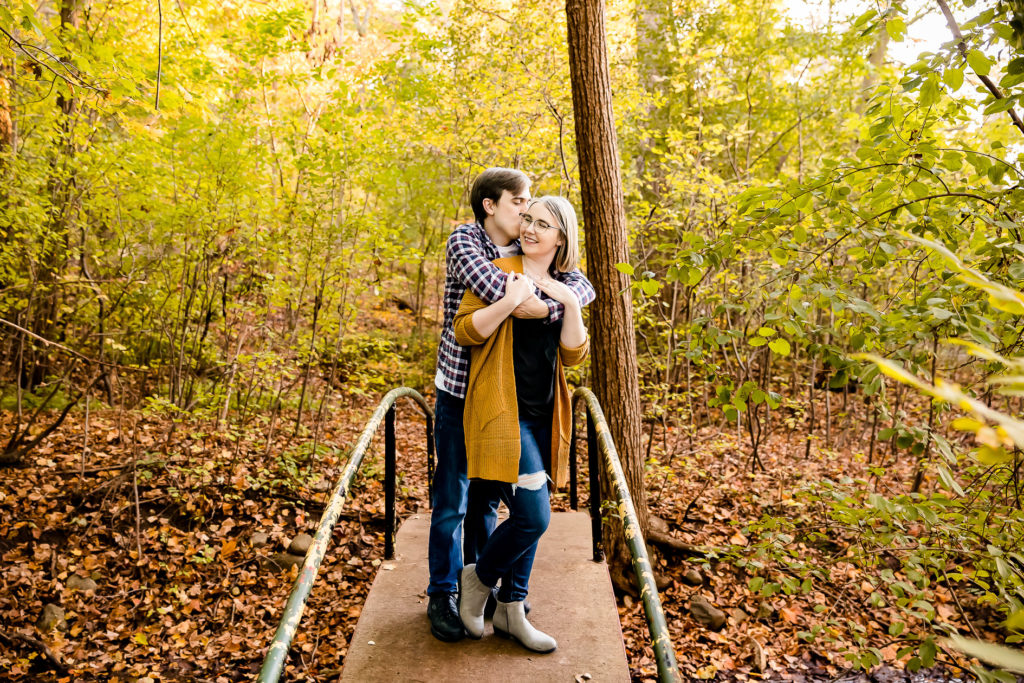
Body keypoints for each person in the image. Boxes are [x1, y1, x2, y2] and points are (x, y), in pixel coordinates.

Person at [428, 171, 596, 643]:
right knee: (473, 505)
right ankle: (462, 586)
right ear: (491, 205)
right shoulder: (491, 259)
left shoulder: (569, 283)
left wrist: (566, 303)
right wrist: (526, 297)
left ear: (562, 237)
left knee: (495, 507)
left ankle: (509, 606)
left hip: (544, 412)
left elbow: (574, 352)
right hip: (483, 400)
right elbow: (469, 325)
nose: (527, 222)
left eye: (541, 220)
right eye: (524, 211)